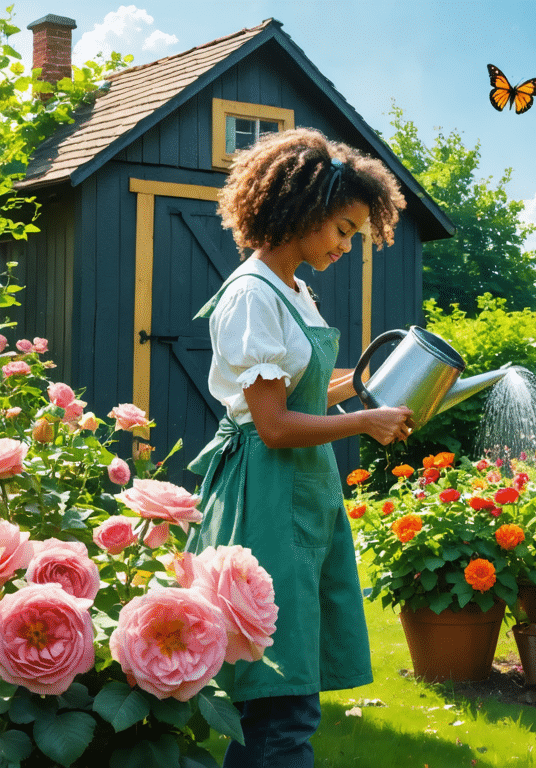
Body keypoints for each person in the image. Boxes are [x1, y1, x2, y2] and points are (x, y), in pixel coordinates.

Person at [187, 127, 414, 767]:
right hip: (269, 494)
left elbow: (305, 396)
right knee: (280, 699)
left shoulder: (292, 288)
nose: (347, 246)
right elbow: (276, 426)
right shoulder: (254, 295)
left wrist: (374, 388)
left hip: (300, 493)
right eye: (343, 230)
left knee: (286, 694)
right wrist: (366, 424)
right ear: (301, 211)